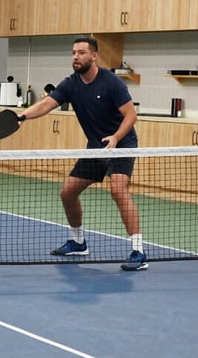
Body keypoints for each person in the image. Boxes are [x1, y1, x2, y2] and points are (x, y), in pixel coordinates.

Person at [18, 36, 147, 271]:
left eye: (81, 53)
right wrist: (22, 116)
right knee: (68, 193)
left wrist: (116, 137)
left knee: (118, 190)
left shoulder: (111, 82)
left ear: (94, 56)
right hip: (96, 147)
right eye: (73, 53)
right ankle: (78, 242)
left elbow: (131, 115)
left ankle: (138, 252)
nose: (76, 57)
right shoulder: (71, 84)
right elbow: (46, 104)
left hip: (122, 144)